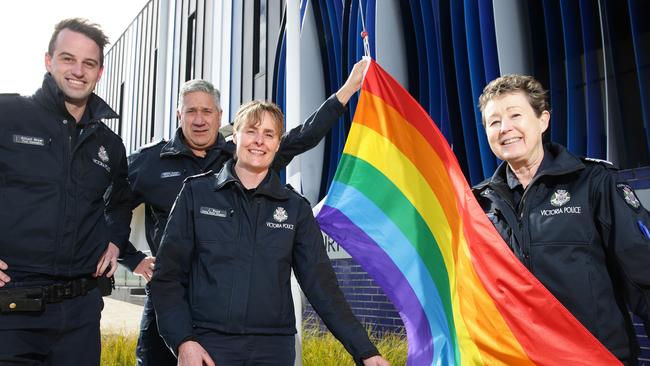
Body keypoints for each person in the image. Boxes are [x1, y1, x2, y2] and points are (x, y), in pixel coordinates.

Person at [120, 61, 369, 365]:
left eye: (207, 111)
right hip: (175, 295)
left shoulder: (244, 155)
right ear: (178, 115)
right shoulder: (151, 163)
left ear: (221, 118)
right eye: (191, 111)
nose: (199, 120)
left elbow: (303, 136)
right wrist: (132, 258)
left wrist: (346, 92)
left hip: (252, 319)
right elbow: (107, 211)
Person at [473, 74, 650, 364]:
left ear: (543, 120)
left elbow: (643, 275)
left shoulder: (594, 183)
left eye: (515, 115)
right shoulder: (481, 203)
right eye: (494, 122)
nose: (505, 128)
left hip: (594, 357)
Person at [0, 18, 131, 364]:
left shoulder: (109, 144)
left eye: (89, 63)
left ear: (100, 72)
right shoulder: (8, 115)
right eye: (67, 59)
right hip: (11, 311)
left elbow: (120, 201)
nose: (78, 71)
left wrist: (116, 239)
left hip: (80, 316)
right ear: (48, 60)